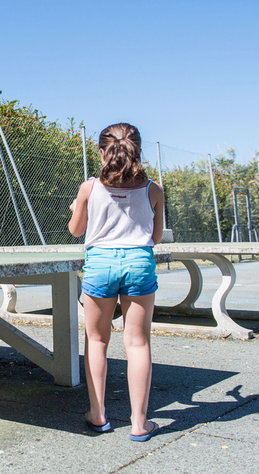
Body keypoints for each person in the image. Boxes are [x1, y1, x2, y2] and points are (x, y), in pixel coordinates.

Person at [68, 123, 164, 441]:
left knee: (97, 341)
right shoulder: (153, 189)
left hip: (100, 266)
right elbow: (155, 236)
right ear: (138, 149)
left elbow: (76, 230)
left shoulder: (89, 188)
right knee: (137, 342)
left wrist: (76, 207)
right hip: (139, 264)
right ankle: (139, 424)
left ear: (101, 151)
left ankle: (98, 415)